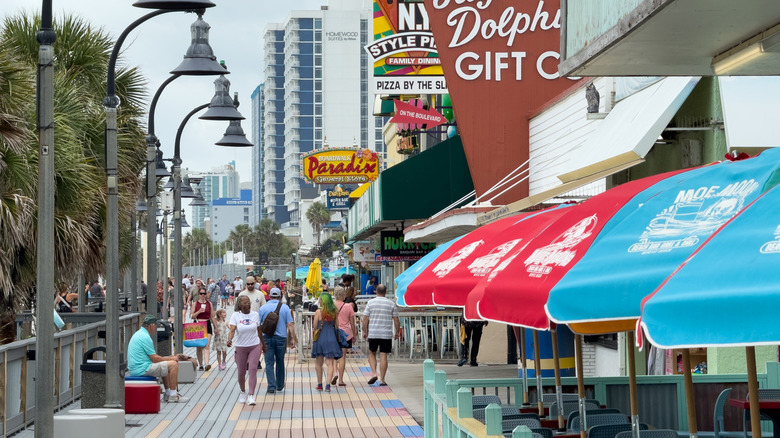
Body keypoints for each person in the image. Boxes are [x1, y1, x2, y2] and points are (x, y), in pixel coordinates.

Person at [128, 314, 196, 403]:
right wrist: (172, 359)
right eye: (155, 325)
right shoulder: (145, 337)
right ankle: (173, 395)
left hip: (136, 367)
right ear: (151, 325)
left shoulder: (139, 333)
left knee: (165, 364)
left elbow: (155, 358)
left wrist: (169, 358)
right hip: (141, 369)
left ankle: (168, 393)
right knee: (173, 364)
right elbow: (155, 359)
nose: (156, 327)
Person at [227, 295, 265, 405]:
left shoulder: (255, 315)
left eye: (248, 302)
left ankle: (251, 395)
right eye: (244, 302)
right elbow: (232, 329)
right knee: (241, 372)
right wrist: (229, 340)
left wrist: (263, 344)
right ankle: (243, 391)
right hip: (241, 347)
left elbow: (259, 330)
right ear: (239, 304)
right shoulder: (235, 316)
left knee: (253, 369)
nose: (247, 304)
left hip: (254, 345)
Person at [258, 287, 295, 394]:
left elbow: (259, 325)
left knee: (269, 362)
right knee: (280, 361)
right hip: (281, 338)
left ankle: (271, 386)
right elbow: (290, 324)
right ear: (280, 296)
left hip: (266, 338)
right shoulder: (285, 308)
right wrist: (292, 338)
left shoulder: (263, 308)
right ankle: (280, 385)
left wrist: (260, 341)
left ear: (269, 296)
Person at [362, 284, 399, 386]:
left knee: (372, 353)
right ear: (385, 292)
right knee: (383, 355)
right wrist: (397, 332)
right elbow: (396, 319)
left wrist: (364, 331)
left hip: (373, 332)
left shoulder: (370, 303)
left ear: (376, 292)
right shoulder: (391, 304)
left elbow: (365, 318)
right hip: (386, 334)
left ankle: (374, 373)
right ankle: (382, 379)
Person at [311, 292, 342, 392]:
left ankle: (320, 384)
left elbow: (315, 326)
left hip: (320, 339)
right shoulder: (334, 311)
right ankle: (328, 385)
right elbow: (337, 326)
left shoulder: (318, 312)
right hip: (331, 338)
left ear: (322, 300)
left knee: (318, 363)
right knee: (330, 363)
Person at [191, 285, 218, 371]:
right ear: (198, 294)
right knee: (199, 346)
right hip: (198, 324)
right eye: (201, 293)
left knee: (206, 345)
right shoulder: (195, 303)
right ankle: (201, 364)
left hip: (207, 323)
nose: (203, 295)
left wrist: (216, 327)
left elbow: (212, 316)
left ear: (206, 294)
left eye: (204, 293)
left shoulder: (209, 303)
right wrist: (198, 311)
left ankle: (207, 364)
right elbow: (191, 316)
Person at [333, 286, 356, 386]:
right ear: (343, 295)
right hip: (346, 334)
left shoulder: (332, 306)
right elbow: (352, 323)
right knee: (342, 357)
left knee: (334, 356)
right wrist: (354, 334)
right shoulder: (348, 306)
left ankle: (334, 373)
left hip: (333, 333)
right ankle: (341, 380)